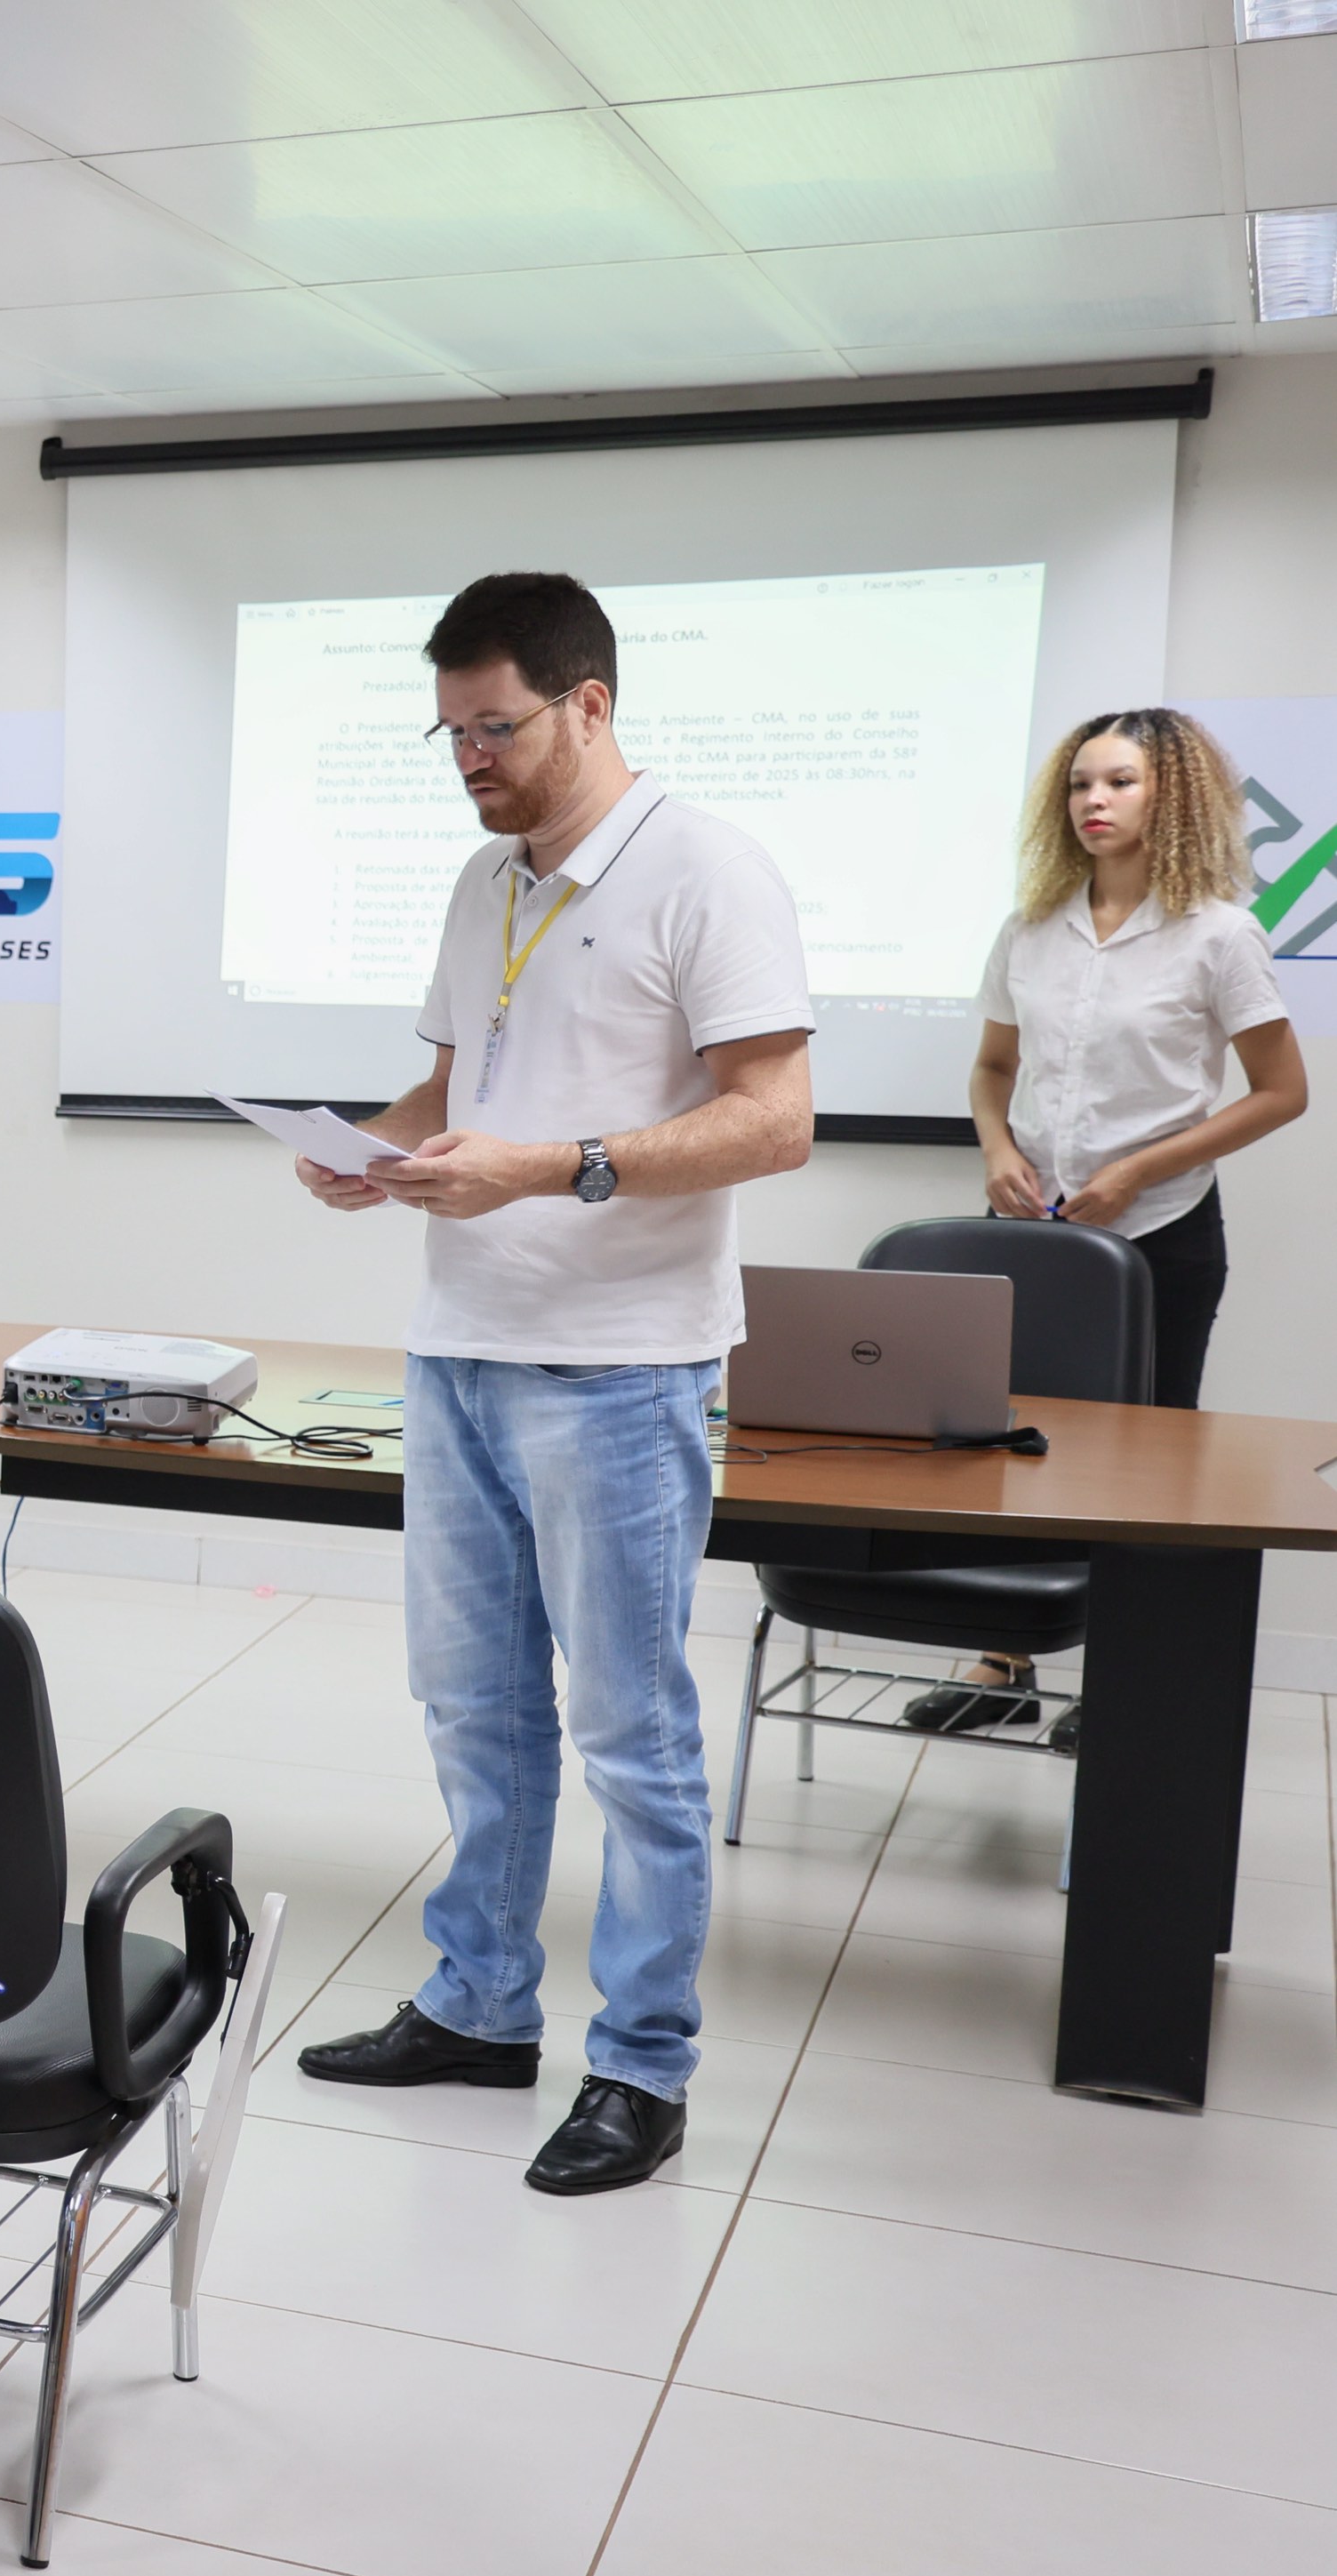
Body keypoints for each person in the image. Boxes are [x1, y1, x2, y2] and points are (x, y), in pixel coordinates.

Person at [287, 571, 816, 2198]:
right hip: (456, 1348)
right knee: (475, 1707)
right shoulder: (482, 879)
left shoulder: (706, 870)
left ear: (587, 704)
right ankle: (476, 2005)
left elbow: (773, 1119)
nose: (469, 759)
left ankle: (640, 2067)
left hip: (621, 1371)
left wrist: (551, 1168)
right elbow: (458, 1079)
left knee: (634, 1732)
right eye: (448, 734)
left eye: (493, 727)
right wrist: (372, 1154)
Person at [917, 707, 1309, 1741]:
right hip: (1032, 1226)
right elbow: (992, 1071)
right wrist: (997, 1151)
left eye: (1119, 783)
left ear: (1166, 796)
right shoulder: (1028, 928)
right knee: (1009, 1443)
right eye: (1080, 784)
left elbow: (1279, 1092)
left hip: (1161, 1229)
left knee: (1145, 1464)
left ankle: (1120, 1683)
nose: (1092, 801)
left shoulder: (1219, 934)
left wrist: (1139, 1168)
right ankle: (1001, 1667)